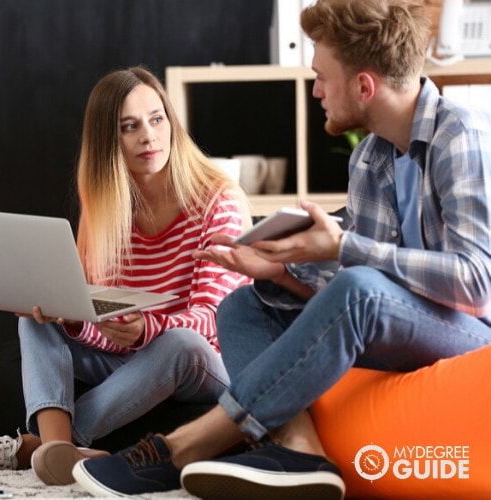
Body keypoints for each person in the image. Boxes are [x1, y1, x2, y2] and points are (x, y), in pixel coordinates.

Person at [70, 0, 491, 498]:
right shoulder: (371, 156)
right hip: (399, 323)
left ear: (363, 86)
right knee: (244, 305)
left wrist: (344, 246)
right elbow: (359, 299)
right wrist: (277, 271)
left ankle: (185, 446)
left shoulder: (459, 135)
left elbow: (476, 283)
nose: (315, 90)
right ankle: (301, 453)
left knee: (359, 284)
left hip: (468, 332)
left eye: (321, 77)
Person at [0, 66, 252, 485]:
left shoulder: (218, 200)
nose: (149, 136)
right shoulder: (108, 208)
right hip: (133, 359)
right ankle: (59, 450)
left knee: (181, 342)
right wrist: (74, 320)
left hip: (200, 359)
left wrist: (147, 329)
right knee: (34, 321)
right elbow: (108, 328)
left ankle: (33, 446)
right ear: (110, 141)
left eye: (157, 119)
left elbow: (213, 318)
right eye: (130, 126)